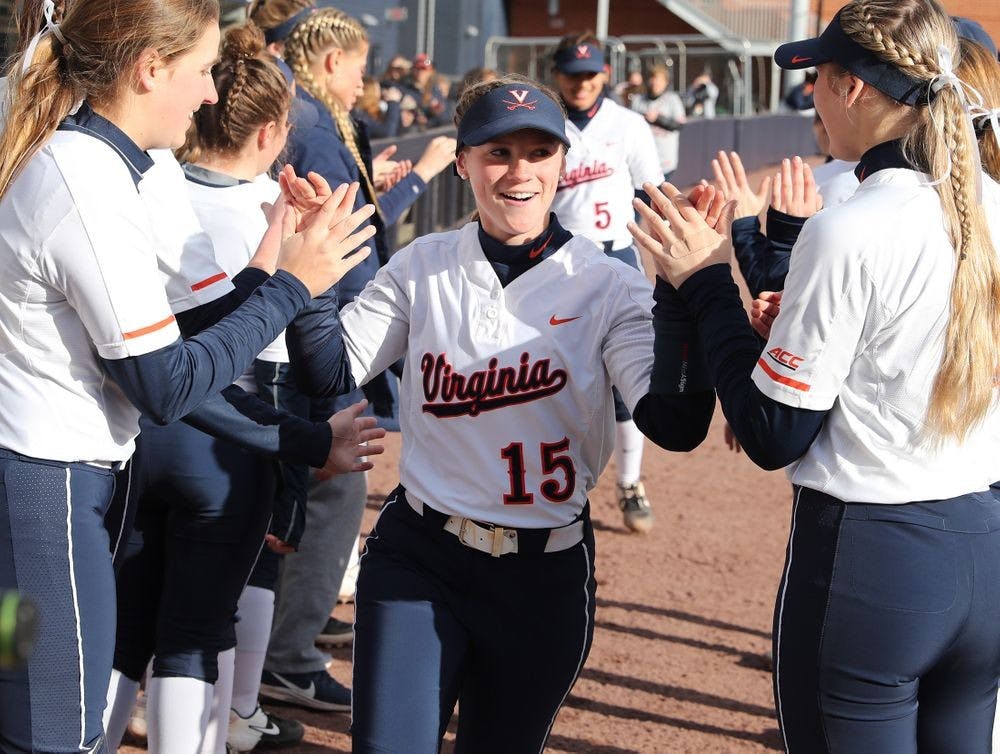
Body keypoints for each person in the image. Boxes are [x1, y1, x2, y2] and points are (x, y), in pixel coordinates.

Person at [280, 72, 715, 754]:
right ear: (463, 162)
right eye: (497, 152)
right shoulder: (423, 266)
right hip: (421, 554)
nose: (519, 171)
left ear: (563, 164)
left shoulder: (609, 286)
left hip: (542, 575)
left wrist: (684, 301)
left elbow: (676, 424)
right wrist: (305, 287)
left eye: (538, 152)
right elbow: (327, 372)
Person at [0, 0, 374, 749]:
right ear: (149, 70)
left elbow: (182, 339)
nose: (210, 94)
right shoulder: (87, 176)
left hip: (56, 484)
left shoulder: (107, 162)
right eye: (202, 71)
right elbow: (166, 384)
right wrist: (290, 287)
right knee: (51, 736)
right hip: (43, 489)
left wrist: (274, 264)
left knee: (40, 719)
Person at [631, 1, 1000, 749]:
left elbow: (773, 432)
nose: (813, 98)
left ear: (854, 88)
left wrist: (704, 280)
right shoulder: (987, 202)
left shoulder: (853, 221)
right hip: (983, 548)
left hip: (875, 559)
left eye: (820, 79)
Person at [257, 5, 457, 713]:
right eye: (361, 64)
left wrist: (376, 176)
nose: (367, 78)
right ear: (333, 60)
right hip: (323, 324)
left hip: (324, 318)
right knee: (331, 483)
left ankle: (285, 638)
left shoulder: (316, 117)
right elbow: (340, 227)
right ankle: (285, 654)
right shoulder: (309, 120)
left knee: (320, 484)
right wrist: (422, 176)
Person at [548, 32, 664, 533]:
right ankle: (556, 479)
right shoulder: (544, 125)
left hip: (618, 258)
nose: (582, 83)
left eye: (590, 74)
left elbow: (652, 191)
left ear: (605, 75)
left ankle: (631, 481)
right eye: (573, 75)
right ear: (557, 76)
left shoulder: (629, 125)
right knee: (554, 375)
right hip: (559, 264)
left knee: (625, 375)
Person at [630, 63, 687, 180]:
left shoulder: (672, 99)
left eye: (659, 79)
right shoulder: (638, 100)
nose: (655, 82)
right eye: (653, 78)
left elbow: (679, 125)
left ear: (666, 82)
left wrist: (658, 119)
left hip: (665, 161)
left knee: (659, 196)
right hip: (642, 160)